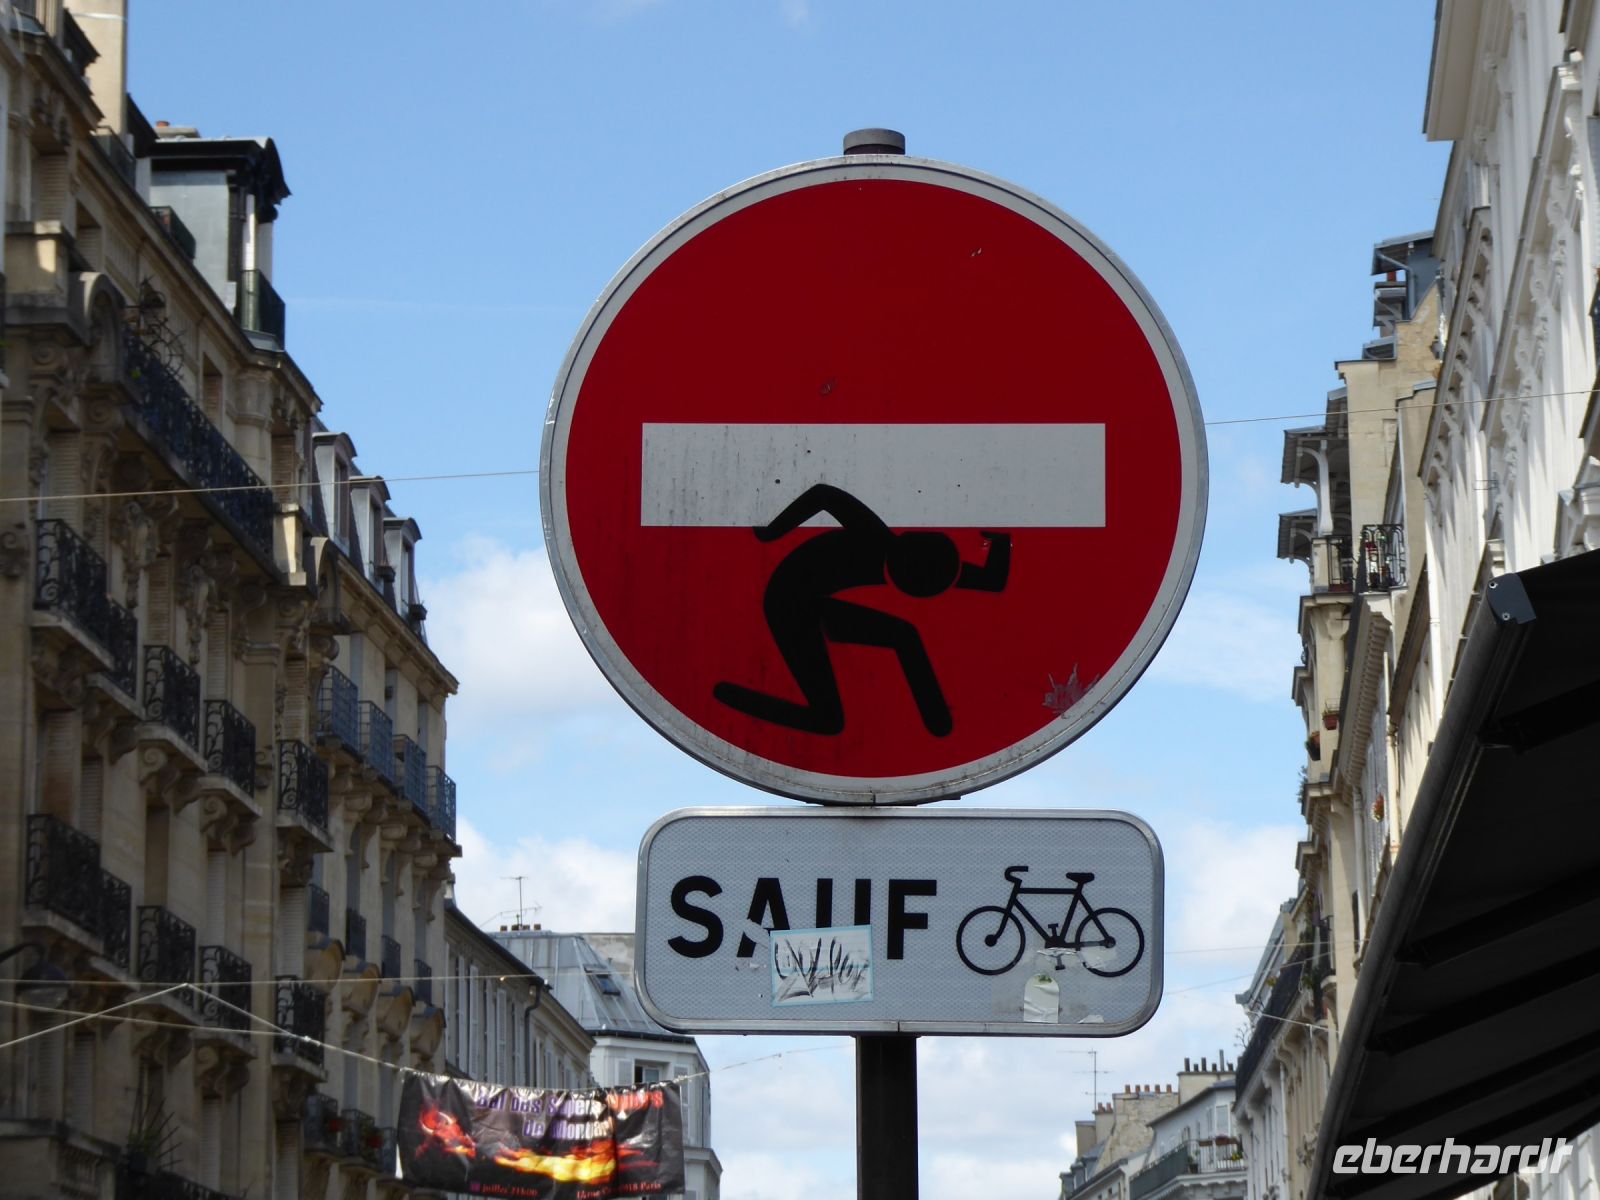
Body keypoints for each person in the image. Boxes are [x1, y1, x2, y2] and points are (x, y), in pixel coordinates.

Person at [713, 484, 1010, 737]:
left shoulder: (930, 568)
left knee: (905, 635)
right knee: (829, 719)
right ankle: (730, 696)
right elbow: (823, 494)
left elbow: (991, 582)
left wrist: (1001, 539)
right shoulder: (875, 536)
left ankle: (940, 725)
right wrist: (769, 531)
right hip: (788, 601)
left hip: (823, 607)